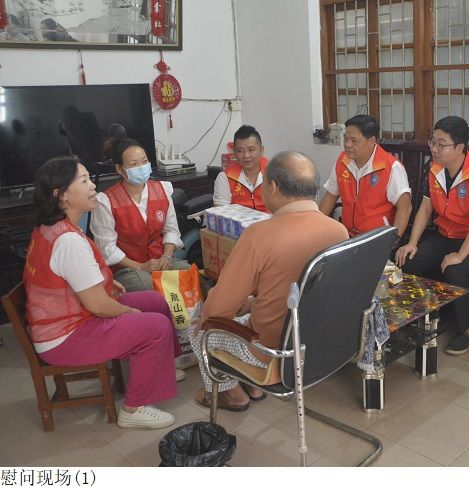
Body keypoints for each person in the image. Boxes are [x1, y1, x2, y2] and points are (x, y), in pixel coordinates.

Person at [24, 156, 179, 429]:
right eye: (84, 181)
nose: (93, 186)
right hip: (65, 337)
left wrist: (105, 283)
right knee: (155, 326)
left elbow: (71, 277)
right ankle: (134, 408)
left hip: (68, 319)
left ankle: (162, 367)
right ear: (61, 195)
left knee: (154, 300)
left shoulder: (51, 227)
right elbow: (99, 306)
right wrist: (128, 312)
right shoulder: (68, 240)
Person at [190, 151, 348, 411]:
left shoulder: (258, 235)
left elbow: (216, 311)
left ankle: (232, 395)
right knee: (247, 310)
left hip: (272, 354)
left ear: (272, 187)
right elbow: (305, 292)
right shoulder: (338, 230)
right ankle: (253, 387)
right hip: (319, 345)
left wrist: (224, 309)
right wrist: (253, 302)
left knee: (199, 323)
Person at [395, 116, 469, 355]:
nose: (434, 149)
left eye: (441, 144)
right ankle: (423, 318)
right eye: (432, 142)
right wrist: (412, 242)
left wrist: (460, 255)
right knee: (409, 258)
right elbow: (425, 209)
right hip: (447, 235)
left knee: (456, 269)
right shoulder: (435, 170)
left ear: (460, 147)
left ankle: (466, 329)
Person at [90, 135, 190, 292]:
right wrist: (140, 266)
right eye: (134, 164)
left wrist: (166, 256)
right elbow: (107, 248)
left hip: (159, 259)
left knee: (189, 274)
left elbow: (171, 229)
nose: (141, 167)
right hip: (127, 268)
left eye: (144, 161)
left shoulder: (162, 190)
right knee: (147, 285)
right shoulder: (106, 201)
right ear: (120, 169)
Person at [319, 115, 412, 239]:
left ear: (371, 141)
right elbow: (331, 195)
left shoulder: (391, 167)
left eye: (354, 141)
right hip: (347, 234)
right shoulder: (343, 160)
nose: (347, 144)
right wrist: (316, 226)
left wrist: (393, 240)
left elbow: (405, 207)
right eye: (345, 138)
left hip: (377, 238)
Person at [213, 125, 269, 211]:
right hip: (236, 219)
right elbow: (221, 213)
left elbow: (284, 207)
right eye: (240, 150)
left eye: (251, 149)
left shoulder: (274, 172)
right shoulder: (225, 177)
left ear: (261, 150)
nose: (246, 155)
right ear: (234, 153)